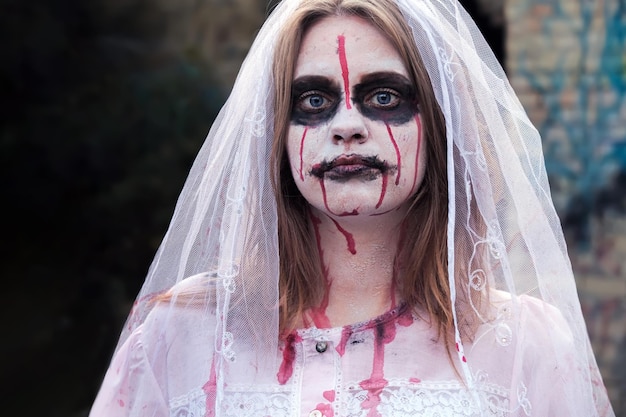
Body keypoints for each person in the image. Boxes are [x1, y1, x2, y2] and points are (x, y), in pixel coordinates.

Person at [90, 0, 615, 416]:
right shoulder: (180, 331)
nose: (346, 125)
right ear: (276, 134)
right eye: (313, 102)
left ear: (440, 124)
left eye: (384, 97)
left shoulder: (525, 341)